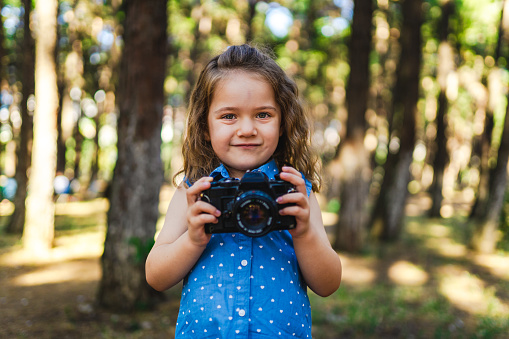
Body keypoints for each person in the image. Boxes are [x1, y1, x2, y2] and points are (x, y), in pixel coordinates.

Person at [146, 44, 342, 338]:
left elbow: (328, 284)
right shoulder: (194, 190)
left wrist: (304, 234)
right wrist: (192, 240)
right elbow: (156, 277)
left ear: (283, 122)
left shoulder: (295, 190)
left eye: (263, 115)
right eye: (229, 116)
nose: (247, 129)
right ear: (205, 125)